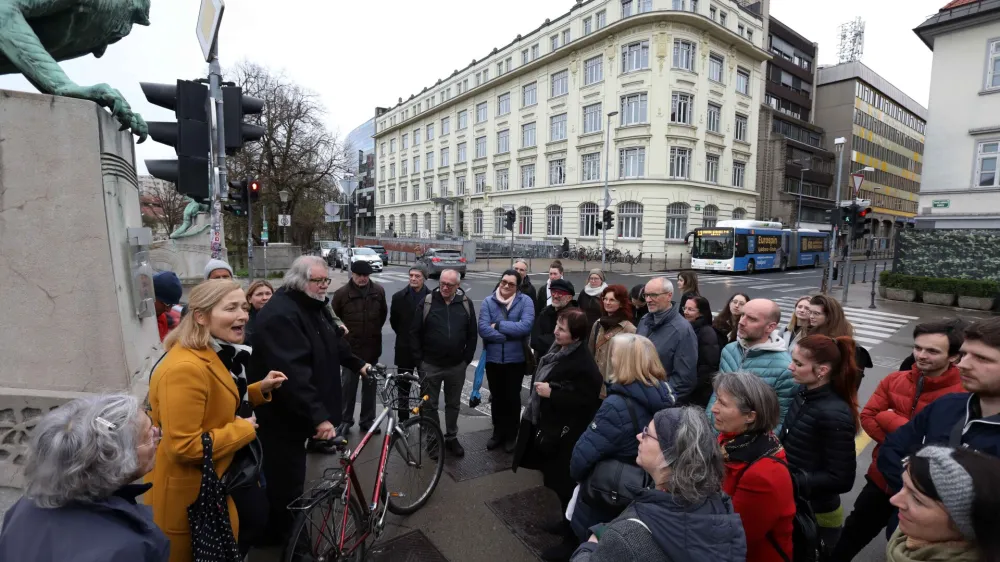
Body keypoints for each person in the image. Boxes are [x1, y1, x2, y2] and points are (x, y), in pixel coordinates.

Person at [149, 279, 287, 560]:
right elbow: (184, 446)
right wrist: (242, 430)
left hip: (217, 483)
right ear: (200, 316)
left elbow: (214, 401)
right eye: (231, 308)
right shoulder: (185, 368)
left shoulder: (214, 353)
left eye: (244, 308)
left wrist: (257, 391)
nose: (243, 316)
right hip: (193, 497)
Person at [248, 256, 369, 545]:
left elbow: (332, 342)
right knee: (286, 485)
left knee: (288, 480)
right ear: (301, 281)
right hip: (281, 417)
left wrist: (358, 364)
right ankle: (293, 545)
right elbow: (293, 373)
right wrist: (318, 417)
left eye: (326, 280)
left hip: (296, 413)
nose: (325, 285)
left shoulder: (311, 305)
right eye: (319, 280)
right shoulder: (283, 314)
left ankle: (278, 535)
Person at [833, 320, 967, 560]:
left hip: (923, 493)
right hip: (880, 477)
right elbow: (868, 416)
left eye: (932, 351)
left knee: (901, 549)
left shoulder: (962, 396)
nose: (921, 355)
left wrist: (892, 422)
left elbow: (941, 447)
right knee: (852, 533)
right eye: (918, 348)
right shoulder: (895, 379)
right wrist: (905, 441)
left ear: (954, 357)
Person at [0, 394, 169, 562]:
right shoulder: (123, 548)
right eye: (148, 434)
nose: (157, 434)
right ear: (117, 457)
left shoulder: (25, 504)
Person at [571, 408, 747, 562]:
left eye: (647, 433)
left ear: (669, 455)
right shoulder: (716, 504)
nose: (639, 436)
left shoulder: (627, 537)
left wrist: (591, 545)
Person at [514, 308, 603, 560]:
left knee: (566, 485)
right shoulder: (559, 349)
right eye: (557, 326)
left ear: (575, 335)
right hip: (553, 429)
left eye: (562, 329)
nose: (556, 331)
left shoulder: (583, 362)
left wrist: (552, 393)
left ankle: (571, 538)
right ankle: (565, 522)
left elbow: (587, 399)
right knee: (555, 481)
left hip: (567, 436)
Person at [879, 317, 1000, 502]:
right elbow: (892, 450)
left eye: (982, 358)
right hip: (905, 524)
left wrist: (942, 511)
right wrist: (918, 499)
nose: (963, 364)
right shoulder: (947, 405)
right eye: (965, 354)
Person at [569, 333, 676, 541]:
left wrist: (576, 475)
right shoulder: (665, 393)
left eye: (614, 355)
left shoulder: (616, 405)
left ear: (625, 362)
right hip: (637, 487)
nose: (611, 360)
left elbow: (584, 454)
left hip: (607, 488)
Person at [779, 334, 860, 556]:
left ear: (822, 371)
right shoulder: (804, 393)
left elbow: (842, 479)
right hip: (796, 503)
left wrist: (790, 480)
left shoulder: (834, 413)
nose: (790, 367)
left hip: (817, 514)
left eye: (798, 363)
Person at [712, 372, 794, 562]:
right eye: (716, 400)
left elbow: (736, 535)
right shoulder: (733, 440)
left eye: (723, 404)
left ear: (750, 416)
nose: (714, 408)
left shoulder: (763, 475)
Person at [885, 445, 1000, 562]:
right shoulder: (908, 539)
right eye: (904, 486)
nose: (894, 500)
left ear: (962, 525)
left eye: (917, 499)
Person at [411, 268, 477, 458]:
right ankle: (433, 440)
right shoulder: (428, 302)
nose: (445, 287)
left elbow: (472, 334)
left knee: (453, 404)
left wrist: (466, 359)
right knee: (429, 405)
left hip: (456, 366)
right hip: (430, 365)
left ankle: (451, 438)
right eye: (442, 283)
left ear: (458, 286)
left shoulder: (465, 303)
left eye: (450, 284)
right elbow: (414, 333)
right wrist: (419, 362)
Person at [706, 299, 797, 430]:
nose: (741, 322)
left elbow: (779, 420)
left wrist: (753, 449)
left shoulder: (785, 368)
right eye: (742, 315)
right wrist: (708, 427)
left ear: (770, 327)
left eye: (752, 319)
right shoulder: (729, 349)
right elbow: (717, 394)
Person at [479, 269, 535, 452]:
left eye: (511, 284)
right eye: (504, 281)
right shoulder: (488, 301)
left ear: (517, 287)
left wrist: (500, 325)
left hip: (515, 360)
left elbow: (525, 327)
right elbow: (483, 329)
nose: (506, 286)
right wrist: (506, 336)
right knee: (497, 397)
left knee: (512, 397)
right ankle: (498, 433)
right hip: (494, 359)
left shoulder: (525, 301)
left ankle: (512, 435)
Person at [333, 260, 388, 436]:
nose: (363, 279)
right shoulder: (342, 294)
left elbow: (382, 316)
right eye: (359, 275)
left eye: (366, 275)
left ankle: (367, 420)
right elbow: (335, 320)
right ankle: (345, 420)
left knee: (370, 387)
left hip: (371, 349)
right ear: (353, 275)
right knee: (348, 387)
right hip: (350, 352)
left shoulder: (378, 291)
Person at [636, 277, 698, 405]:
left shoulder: (682, 330)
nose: (648, 300)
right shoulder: (644, 320)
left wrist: (656, 399)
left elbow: (684, 380)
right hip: (638, 397)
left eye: (653, 295)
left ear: (669, 296)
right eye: (646, 295)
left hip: (659, 404)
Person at [389, 266, 431, 423]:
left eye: (417, 276)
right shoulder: (398, 297)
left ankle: (424, 419)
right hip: (404, 349)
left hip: (425, 350)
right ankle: (403, 421)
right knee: (403, 388)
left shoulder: (432, 297)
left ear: (424, 278)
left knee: (425, 387)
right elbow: (394, 322)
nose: (413, 278)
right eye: (411, 275)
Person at [808, 294, 874, 385]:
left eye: (816, 313)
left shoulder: (842, 345)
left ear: (830, 316)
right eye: (810, 312)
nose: (811, 316)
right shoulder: (812, 332)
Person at [587, 284, 636, 390]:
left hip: (615, 386)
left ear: (621, 303)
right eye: (605, 299)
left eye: (612, 300)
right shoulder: (598, 324)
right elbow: (590, 353)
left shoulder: (629, 329)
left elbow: (630, 363)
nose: (607, 303)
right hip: (595, 384)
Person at [531, 278, 582, 365]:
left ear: (569, 297)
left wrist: (545, 339)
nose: (555, 295)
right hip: (543, 362)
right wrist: (552, 340)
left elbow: (568, 344)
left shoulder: (575, 316)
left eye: (560, 293)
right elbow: (534, 341)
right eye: (553, 292)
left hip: (565, 364)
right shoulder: (545, 312)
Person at [682, 295, 721, 408]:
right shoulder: (690, 327)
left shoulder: (706, 332)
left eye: (691, 309)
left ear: (701, 313)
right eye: (685, 308)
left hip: (697, 392)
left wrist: (691, 386)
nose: (686, 312)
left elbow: (708, 366)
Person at [153, 271, 183, 342]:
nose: (168, 310)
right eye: (166, 304)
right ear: (152, 296)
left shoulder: (162, 319)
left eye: (172, 305)